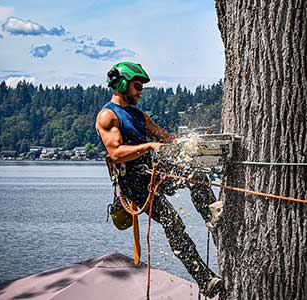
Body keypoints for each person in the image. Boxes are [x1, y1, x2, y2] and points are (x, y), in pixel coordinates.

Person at [95, 61, 221, 298]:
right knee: (173, 223)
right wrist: (149, 146)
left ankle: (212, 218)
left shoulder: (140, 116)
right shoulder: (107, 115)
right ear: (121, 84)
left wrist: (189, 145)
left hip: (154, 172)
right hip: (134, 182)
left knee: (196, 176)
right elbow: (116, 152)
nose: (140, 91)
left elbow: (166, 138)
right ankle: (205, 279)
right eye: (137, 85)